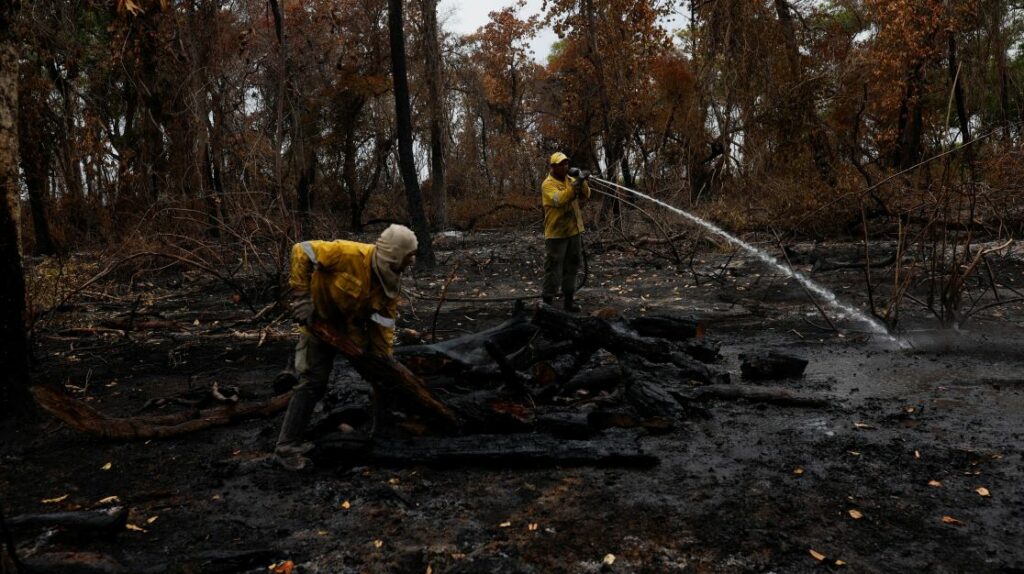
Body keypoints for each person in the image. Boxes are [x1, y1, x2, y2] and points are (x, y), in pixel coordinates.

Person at [274, 224, 418, 471]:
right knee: (312, 382)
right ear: (393, 255)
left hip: (351, 332)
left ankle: (382, 432)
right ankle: (286, 448)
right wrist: (302, 298)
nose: (409, 264)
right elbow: (301, 250)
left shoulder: (389, 284)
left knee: (381, 376)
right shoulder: (347, 254)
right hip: (317, 324)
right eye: (406, 259)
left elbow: (383, 324)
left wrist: (383, 361)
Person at [541, 151, 590, 312]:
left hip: (574, 231)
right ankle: (547, 304)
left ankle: (568, 302)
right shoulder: (547, 184)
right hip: (556, 234)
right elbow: (560, 200)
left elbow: (586, 194)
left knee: (573, 267)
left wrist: (581, 181)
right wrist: (577, 183)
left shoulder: (571, 180)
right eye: (561, 164)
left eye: (566, 163)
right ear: (553, 167)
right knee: (553, 268)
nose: (565, 167)